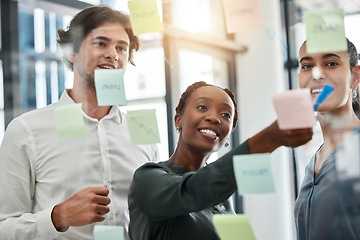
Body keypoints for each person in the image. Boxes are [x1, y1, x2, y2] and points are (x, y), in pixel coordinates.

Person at [0, 6, 159, 240]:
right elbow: (4, 226)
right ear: (71, 53)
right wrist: (58, 216)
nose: (113, 54)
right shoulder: (26, 130)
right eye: (101, 43)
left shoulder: (142, 128)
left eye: (121, 48)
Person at [128, 81, 313, 240]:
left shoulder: (223, 202)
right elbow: (193, 190)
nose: (214, 118)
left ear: (229, 133)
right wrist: (267, 139)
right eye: (202, 107)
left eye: (225, 115)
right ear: (179, 120)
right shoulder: (148, 179)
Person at [294, 38, 360, 239]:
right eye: (307, 66)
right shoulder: (314, 160)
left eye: (331, 63)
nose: (317, 74)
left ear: (355, 77)